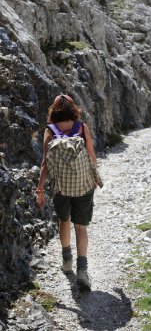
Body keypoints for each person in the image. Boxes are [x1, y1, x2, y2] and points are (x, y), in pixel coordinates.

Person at [36, 94, 100, 290]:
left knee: (64, 221)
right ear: (73, 109)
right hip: (83, 186)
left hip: (61, 187)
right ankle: (82, 271)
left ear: (53, 111)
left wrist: (40, 189)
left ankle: (67, 261)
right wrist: (94, 178)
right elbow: (92, 156)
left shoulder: (50, 131)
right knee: (81, 226)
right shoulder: (82, 128)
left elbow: (46, 163)